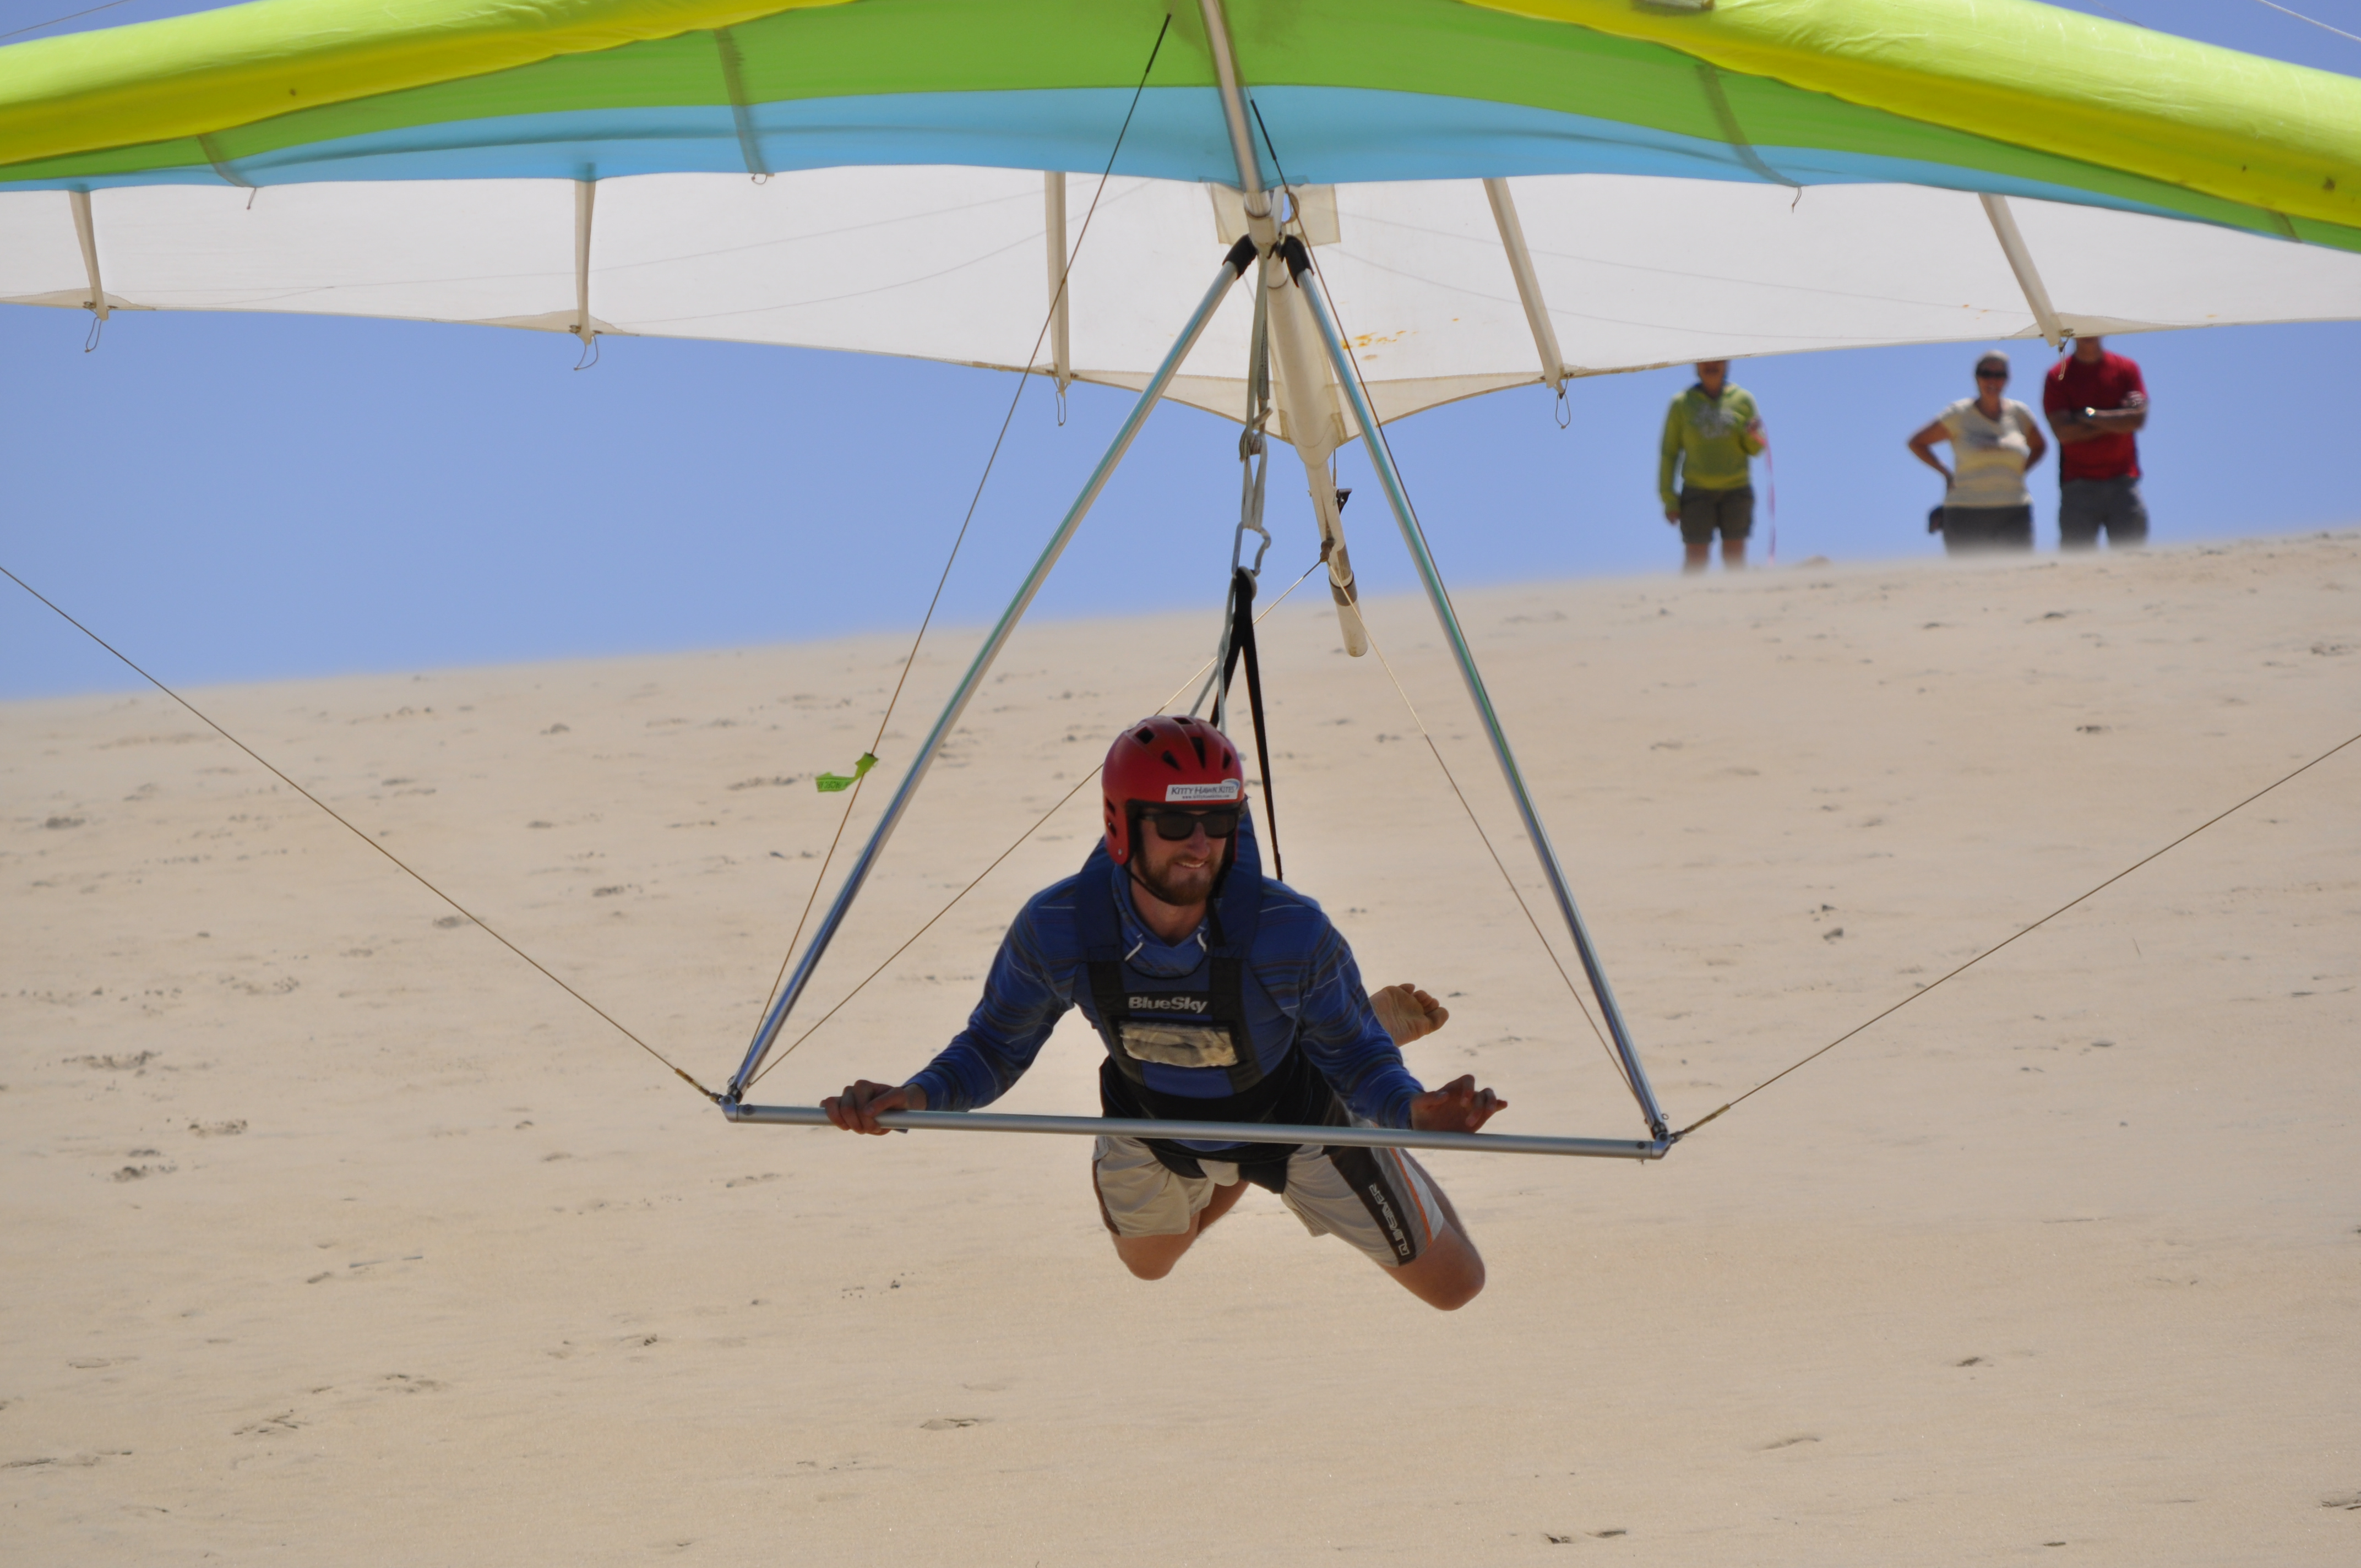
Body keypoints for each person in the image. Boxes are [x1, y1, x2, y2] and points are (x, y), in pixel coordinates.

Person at [823, 714, 1505, 1310]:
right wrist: (915, 1095)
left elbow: (1360, 1063)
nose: (1200, 845)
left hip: (1295, 1109)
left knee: (1457, 1288)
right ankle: (1250, 1142)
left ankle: (1343, 1038)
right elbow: (995, 1047)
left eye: (1219, 821)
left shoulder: (1291, 932)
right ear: (1122, 825)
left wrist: (1411, 1112)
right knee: (1150, 1264)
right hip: (1152, 1119)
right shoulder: (1059, 925)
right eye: (1177, 822)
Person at [1906, 350, 2048, 553]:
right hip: (1965, 513)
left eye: (1999, 375)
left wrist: (2021, 471)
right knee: (1970, 581)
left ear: (2008, 379)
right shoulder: (1959, 414)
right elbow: (1917, 442)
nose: (1993, 380)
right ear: (1976, 377)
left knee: (2018, 579)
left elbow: (2040, 446)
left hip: (2014, 511)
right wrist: (1945, 472)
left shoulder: (2019, 414)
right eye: (1986, 374)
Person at [2042, 335, 2150, 548]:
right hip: (2078, 487)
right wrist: (2116, 418)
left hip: (2123, 482)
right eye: (2082, 329)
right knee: (2077, 567)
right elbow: (2064, 433)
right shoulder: (2058, 375)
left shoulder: (2126, 369)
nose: (2088, 334)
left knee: (2134, 561)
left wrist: (2088, 414)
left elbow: (2136, 420)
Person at [1658, 359, 1766, 573]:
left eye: (1718, 360)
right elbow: (1669, 453)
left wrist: (1752, 434)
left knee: (1735, 556)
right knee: (1696, 557)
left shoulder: (1743, 399)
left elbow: (1756, 449)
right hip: (1697, 491)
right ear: (1696, 366)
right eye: (1704, 361)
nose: (1711, 365)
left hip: (1736, 489)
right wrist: (1669, 498)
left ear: (1727, 364)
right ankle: (1692, 602)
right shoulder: (1682, 403)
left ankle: (1738, 601)